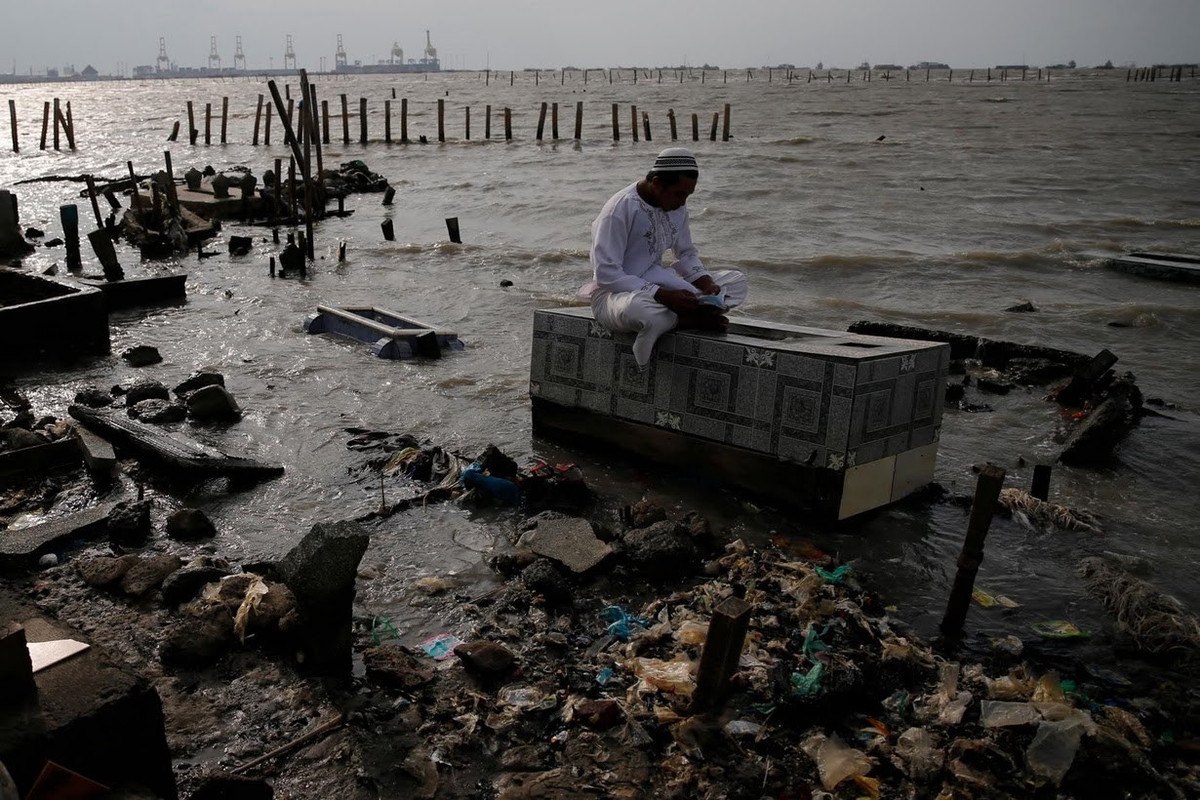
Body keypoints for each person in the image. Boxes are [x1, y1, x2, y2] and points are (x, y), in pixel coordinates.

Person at [582, 147, 748, 368]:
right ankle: (688, 319)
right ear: (658, 183)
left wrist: (707, 284)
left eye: (688, 195)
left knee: (736, 282)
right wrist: (662, 295)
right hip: (614, 296)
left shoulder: (676, 207)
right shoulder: (619, 210)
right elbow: (606, 274)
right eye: (680, 194)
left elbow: (686, 253)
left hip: (659, 283)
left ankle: (679, 317)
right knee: (638, 309)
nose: (683, 202)